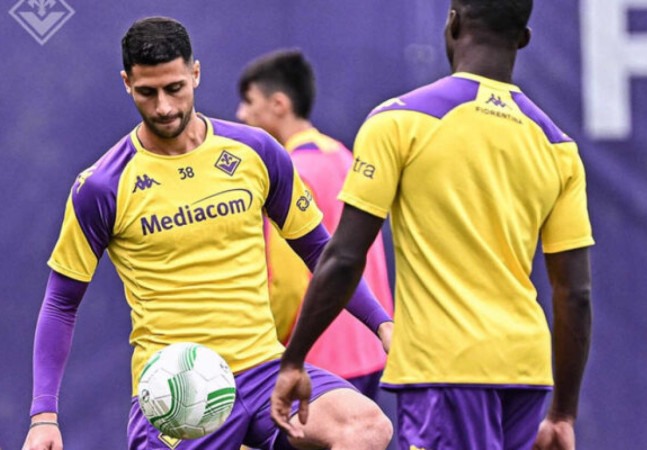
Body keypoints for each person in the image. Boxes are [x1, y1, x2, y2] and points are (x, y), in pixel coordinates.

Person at [22, 16, 394, 450]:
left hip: (264, 370)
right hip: (177, 392)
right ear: (126, 83)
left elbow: (319, 251)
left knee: (365, 428)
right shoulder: (103, 185)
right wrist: (43, 415)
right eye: (147, 92)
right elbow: (61, 302)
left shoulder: (255, 152)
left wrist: (383, 324)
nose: (163, 106)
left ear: (195, 73)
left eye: (175, 88)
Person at [271, 1, 594, 449]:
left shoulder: (400, 121)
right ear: (523, 39)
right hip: (526, 375)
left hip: (446, 371)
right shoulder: (557, 145)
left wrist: (294, 360)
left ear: (453, 22)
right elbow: (574, 294)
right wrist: (562, 414)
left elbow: (344, 258)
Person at [235, 49, 394, 401]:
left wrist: (259, 348)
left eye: (248, 101)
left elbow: (289, 288)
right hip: (369, 352)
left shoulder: (290, 174)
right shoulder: (343, 155)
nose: (240, 114)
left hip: (315, 362)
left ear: (279, 104)